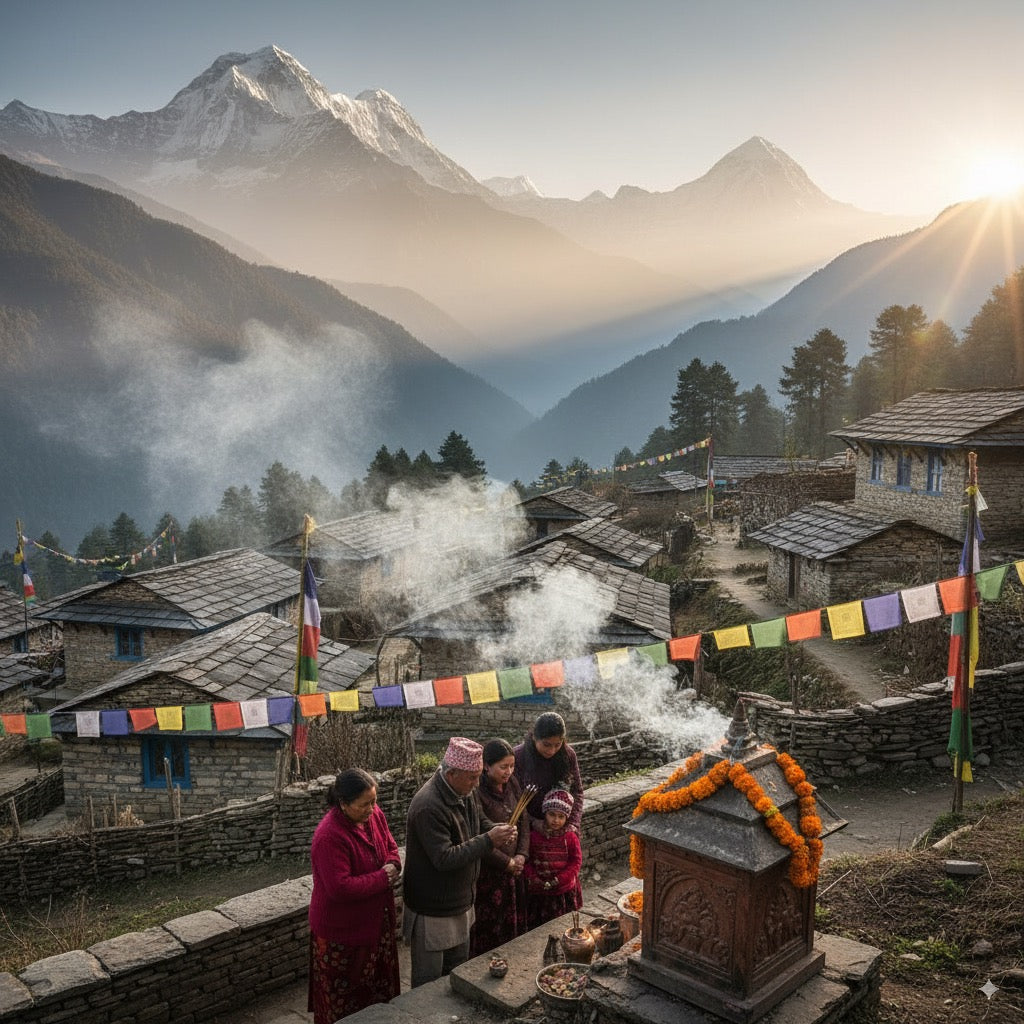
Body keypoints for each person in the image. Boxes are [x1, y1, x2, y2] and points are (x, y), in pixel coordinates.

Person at [402, 737, 517, 987]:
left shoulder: (464, 791)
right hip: (433, 908)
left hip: (461, 901)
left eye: (478, 777)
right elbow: (444, 858)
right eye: (472, 778)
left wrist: (497, 829)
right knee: (428, 984)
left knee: (456, 974)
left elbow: (478, 823)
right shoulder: (428, 805)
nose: (477, 784)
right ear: (451, 773)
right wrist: (488, 840)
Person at [307, 768, 401, 1024]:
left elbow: (390, 846)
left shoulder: (373, 815)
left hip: (375, 923)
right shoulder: (329, 836)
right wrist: (383, 877)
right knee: (345, 999)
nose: (371, 809)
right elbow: (340, 887)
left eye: (374, 801)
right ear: (343, 804)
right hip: (343, 933)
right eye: (364, 804)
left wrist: (393, 863)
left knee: (376, 992)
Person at [469, 739, 530, 957]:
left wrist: (522, 854)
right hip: (491, 873)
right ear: (486, 766)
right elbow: (478, 836)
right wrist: (507, 863)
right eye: (503, 767)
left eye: (512, 766)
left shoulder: (512, 782)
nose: (509, 771)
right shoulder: (476, 792)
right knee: (490, 926)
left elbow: (523, 818)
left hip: (516, 868)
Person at [513, 711, 585, 834]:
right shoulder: (518, 757)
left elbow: (576, 791)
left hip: (561, 828)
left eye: (557, 745)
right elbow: (511, 799)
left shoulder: (568, 755)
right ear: (534, 737)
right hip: (526, 830)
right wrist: (533, 822)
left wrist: (573, 823)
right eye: (546, 745)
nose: (552, 751)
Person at [524, 788, 583, 928]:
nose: (556, 820)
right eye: (552, 815)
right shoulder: (534, 836)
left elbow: (575, 862)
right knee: (539, 927)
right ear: (545, 813)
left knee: (563, 925)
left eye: (561, 817)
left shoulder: (570, 837)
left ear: (566, 817)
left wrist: (559, 879)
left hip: (563, 890)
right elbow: (527, 861)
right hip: (540, 892)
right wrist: (534, 878)